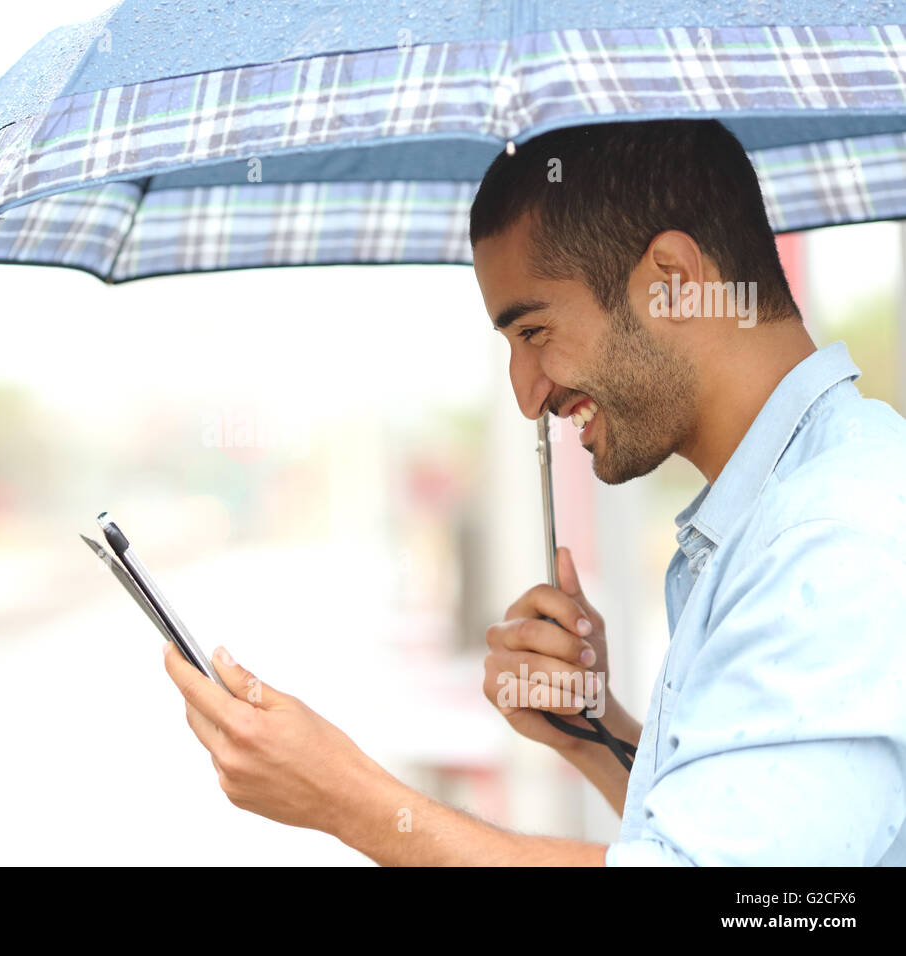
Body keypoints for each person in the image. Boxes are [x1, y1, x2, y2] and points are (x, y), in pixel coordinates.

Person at [162, 119, 906, 865]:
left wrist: (348, 799)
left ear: (675, 282)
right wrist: (594, 733)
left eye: (535, 332)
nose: (526, 394)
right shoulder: (793, 509)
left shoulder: (835, 534)